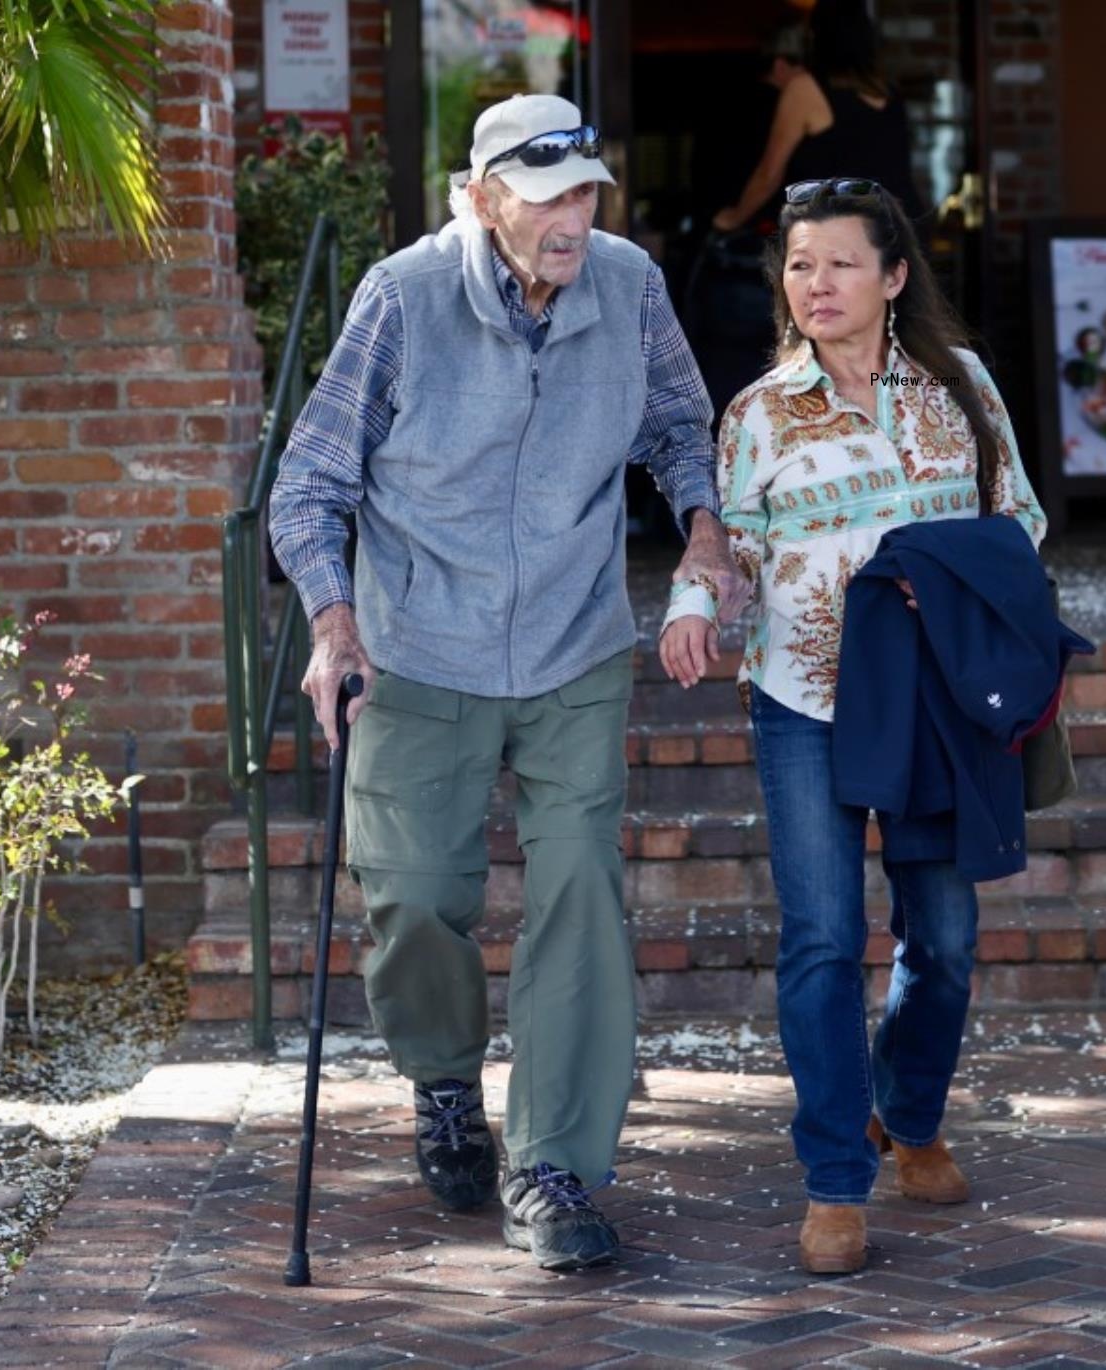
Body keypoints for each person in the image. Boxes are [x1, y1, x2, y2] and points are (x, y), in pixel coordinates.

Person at [269, 93, 747, 1273]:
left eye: (585, 194)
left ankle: (555, 1162)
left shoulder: (629, 286)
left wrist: (703, 533)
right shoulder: (403, 298)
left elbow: (684, 427)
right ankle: (443, 1080)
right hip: (419, 645)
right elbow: (310, 484)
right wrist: (334, 628)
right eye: (545, 201)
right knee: (417, 896)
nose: (571, 220)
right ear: (480, 200)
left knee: (580, 885)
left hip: (574, 639)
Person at [659, 179, 1045, 1275]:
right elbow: (726, 548)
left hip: (934, 704)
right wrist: (695, 609)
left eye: (838, 263)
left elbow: (1018, 516)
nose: (814, 284)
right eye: (797, 265)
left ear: (893, 277)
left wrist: (947, 588)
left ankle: (908, 1112)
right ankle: (835, 1177)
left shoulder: (961, 389)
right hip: (804, 699)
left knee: (947, 936)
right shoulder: (759, 412)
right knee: (824, 940)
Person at [711, 0, 924, 234]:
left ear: (816, 39)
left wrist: (733, 217)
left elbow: (769, 175)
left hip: (849, 235)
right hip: (901, 230)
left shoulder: (805, 89)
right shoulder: (888, 92)